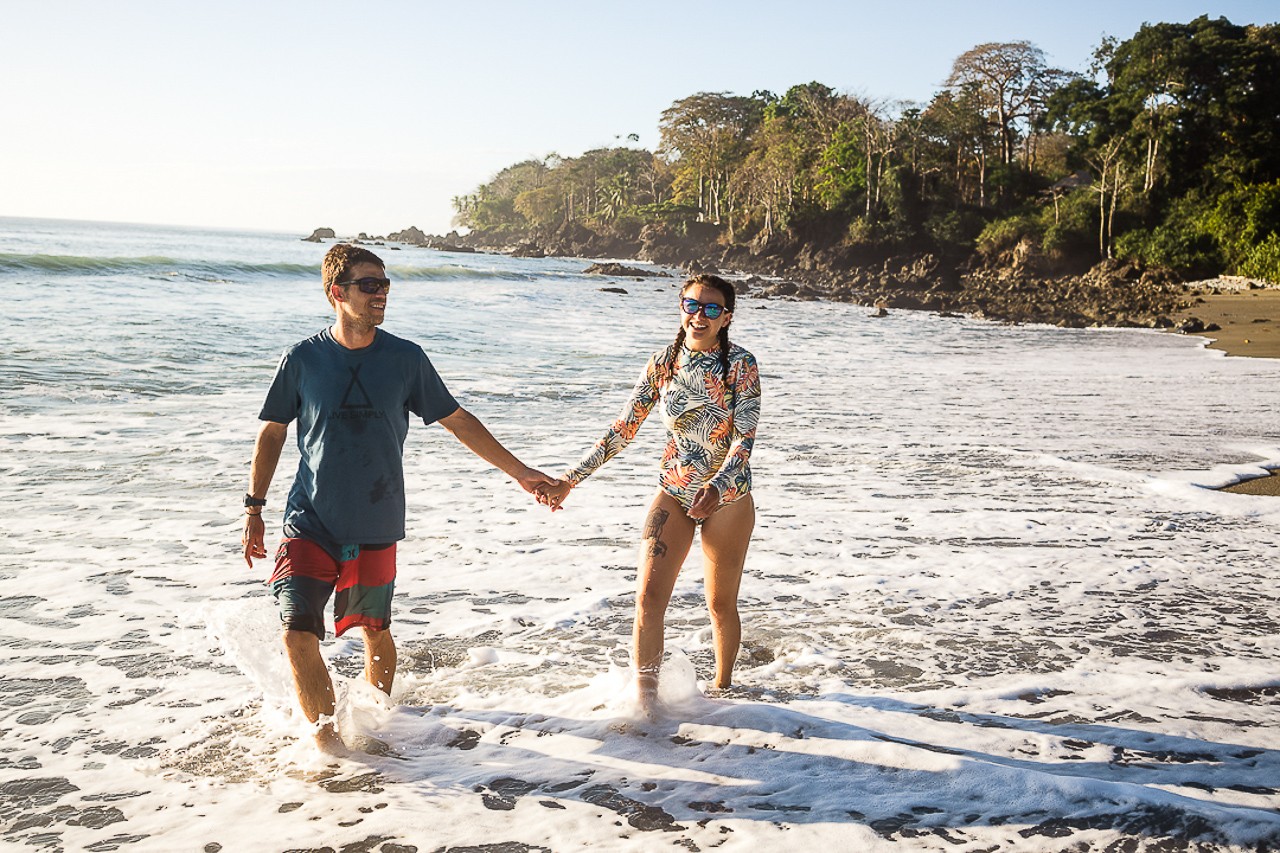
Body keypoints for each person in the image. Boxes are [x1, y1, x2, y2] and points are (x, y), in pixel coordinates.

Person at [242, 243, 554, 752]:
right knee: (298, 633)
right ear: (335, 294)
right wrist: (254, 508)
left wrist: (520, 473)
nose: (380, 294)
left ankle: (379, 724)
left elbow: (457, 420)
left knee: (373, 630)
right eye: (369, 285)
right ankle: (331, 751)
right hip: (309, 519)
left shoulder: (405, 358)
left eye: (384, 284)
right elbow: (272, 433)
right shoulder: (302, 360)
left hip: (376, 520)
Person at [539, 275, 760, 715]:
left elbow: (744, 437)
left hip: (728, 497)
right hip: (673, 491)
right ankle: (646, 706)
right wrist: (570, 479)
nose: (698, 315)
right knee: (647, 599)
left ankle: (723, 688)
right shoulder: (664, 362)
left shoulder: (740, 364)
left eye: (711, 309)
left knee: (720, 604)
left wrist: (718, 487)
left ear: (726, 318)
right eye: (691, 305)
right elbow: (624, 429)